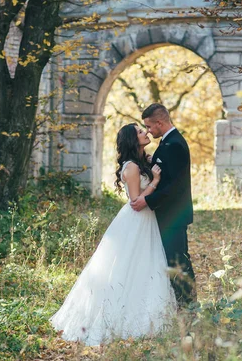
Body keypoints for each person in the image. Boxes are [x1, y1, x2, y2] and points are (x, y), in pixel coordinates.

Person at [49, 123, 177, 346]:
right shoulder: (131, 168)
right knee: (127, 267)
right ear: (131, 140)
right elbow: (137, 202)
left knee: (145, 266)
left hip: (147, 221)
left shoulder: (142, 162)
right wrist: (155, 181)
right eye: (140, 131)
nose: (145, 132)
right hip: (136, 220)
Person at [130, 103, 197, 306]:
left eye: (149, 127)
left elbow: (175, 187)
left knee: (178, 262)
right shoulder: (168, 142)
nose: (148, 131)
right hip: (167, 214)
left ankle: (188, 306)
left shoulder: (175, 144)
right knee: (173, 260)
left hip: (173, 215)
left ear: (159, 122)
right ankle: (182, 304)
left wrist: (147, 200)